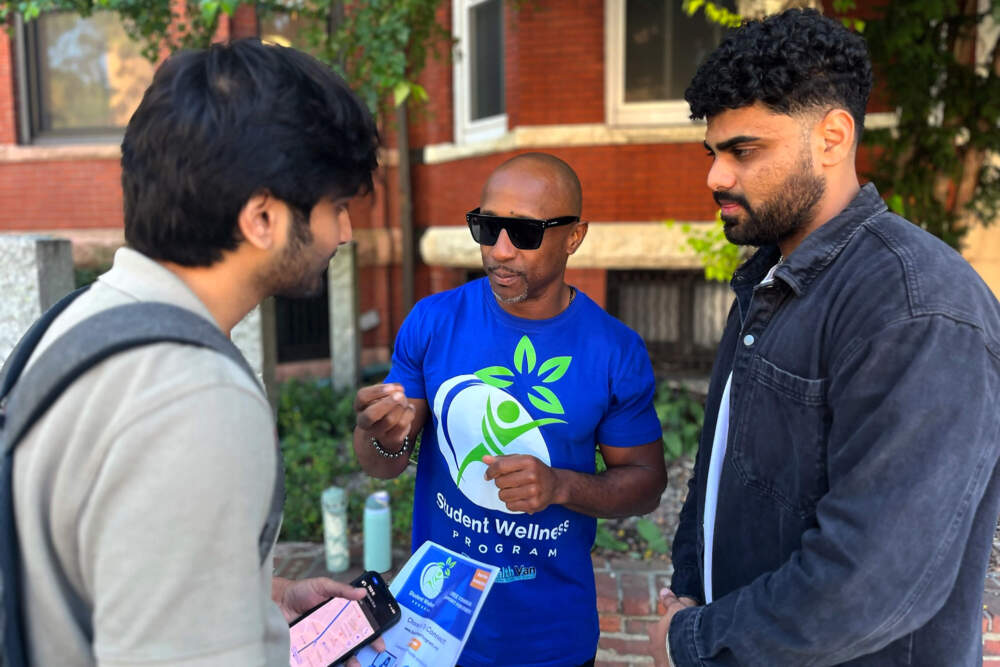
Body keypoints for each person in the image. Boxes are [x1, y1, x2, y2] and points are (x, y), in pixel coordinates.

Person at [12, 39, 382, 665]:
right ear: (262, 217)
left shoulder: (76, 323)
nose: (344, 234)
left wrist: (263, 600)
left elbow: (111, 573)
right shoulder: (194, 397)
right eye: (335, 207)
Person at [648, 8, 1000, 666]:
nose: (715, 177)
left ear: (832, 137)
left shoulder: (916, 307)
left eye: (743, 150)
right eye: (713, 152)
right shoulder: (770, 281)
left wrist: (694, 640)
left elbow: (872, 577)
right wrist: (691, 595)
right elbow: (723, 477)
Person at [353, 152, 669, 667]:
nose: (500, 251)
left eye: (523, 232)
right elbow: (383, 463)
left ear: (574, 237)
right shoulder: (434, 321)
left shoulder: (612, 350)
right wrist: (382, 435)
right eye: (488, 227)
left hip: (547, 640)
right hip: (433, 627)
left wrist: (561, 485)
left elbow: (646, 483)